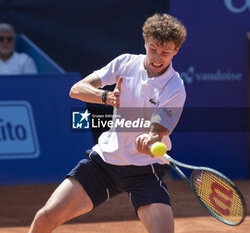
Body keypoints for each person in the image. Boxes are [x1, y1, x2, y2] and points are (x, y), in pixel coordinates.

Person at [28, 13, 187, 233]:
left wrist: (149, 138)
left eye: (165, 53)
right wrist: (105, 97)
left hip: (143, 172)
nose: (157, 58)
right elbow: (76, 90)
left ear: (176, 50)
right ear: (145, 43)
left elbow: (158, 129)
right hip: (103, 164)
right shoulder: (125, 63)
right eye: (152, 49)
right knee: (44, 218)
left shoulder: (175, 87)